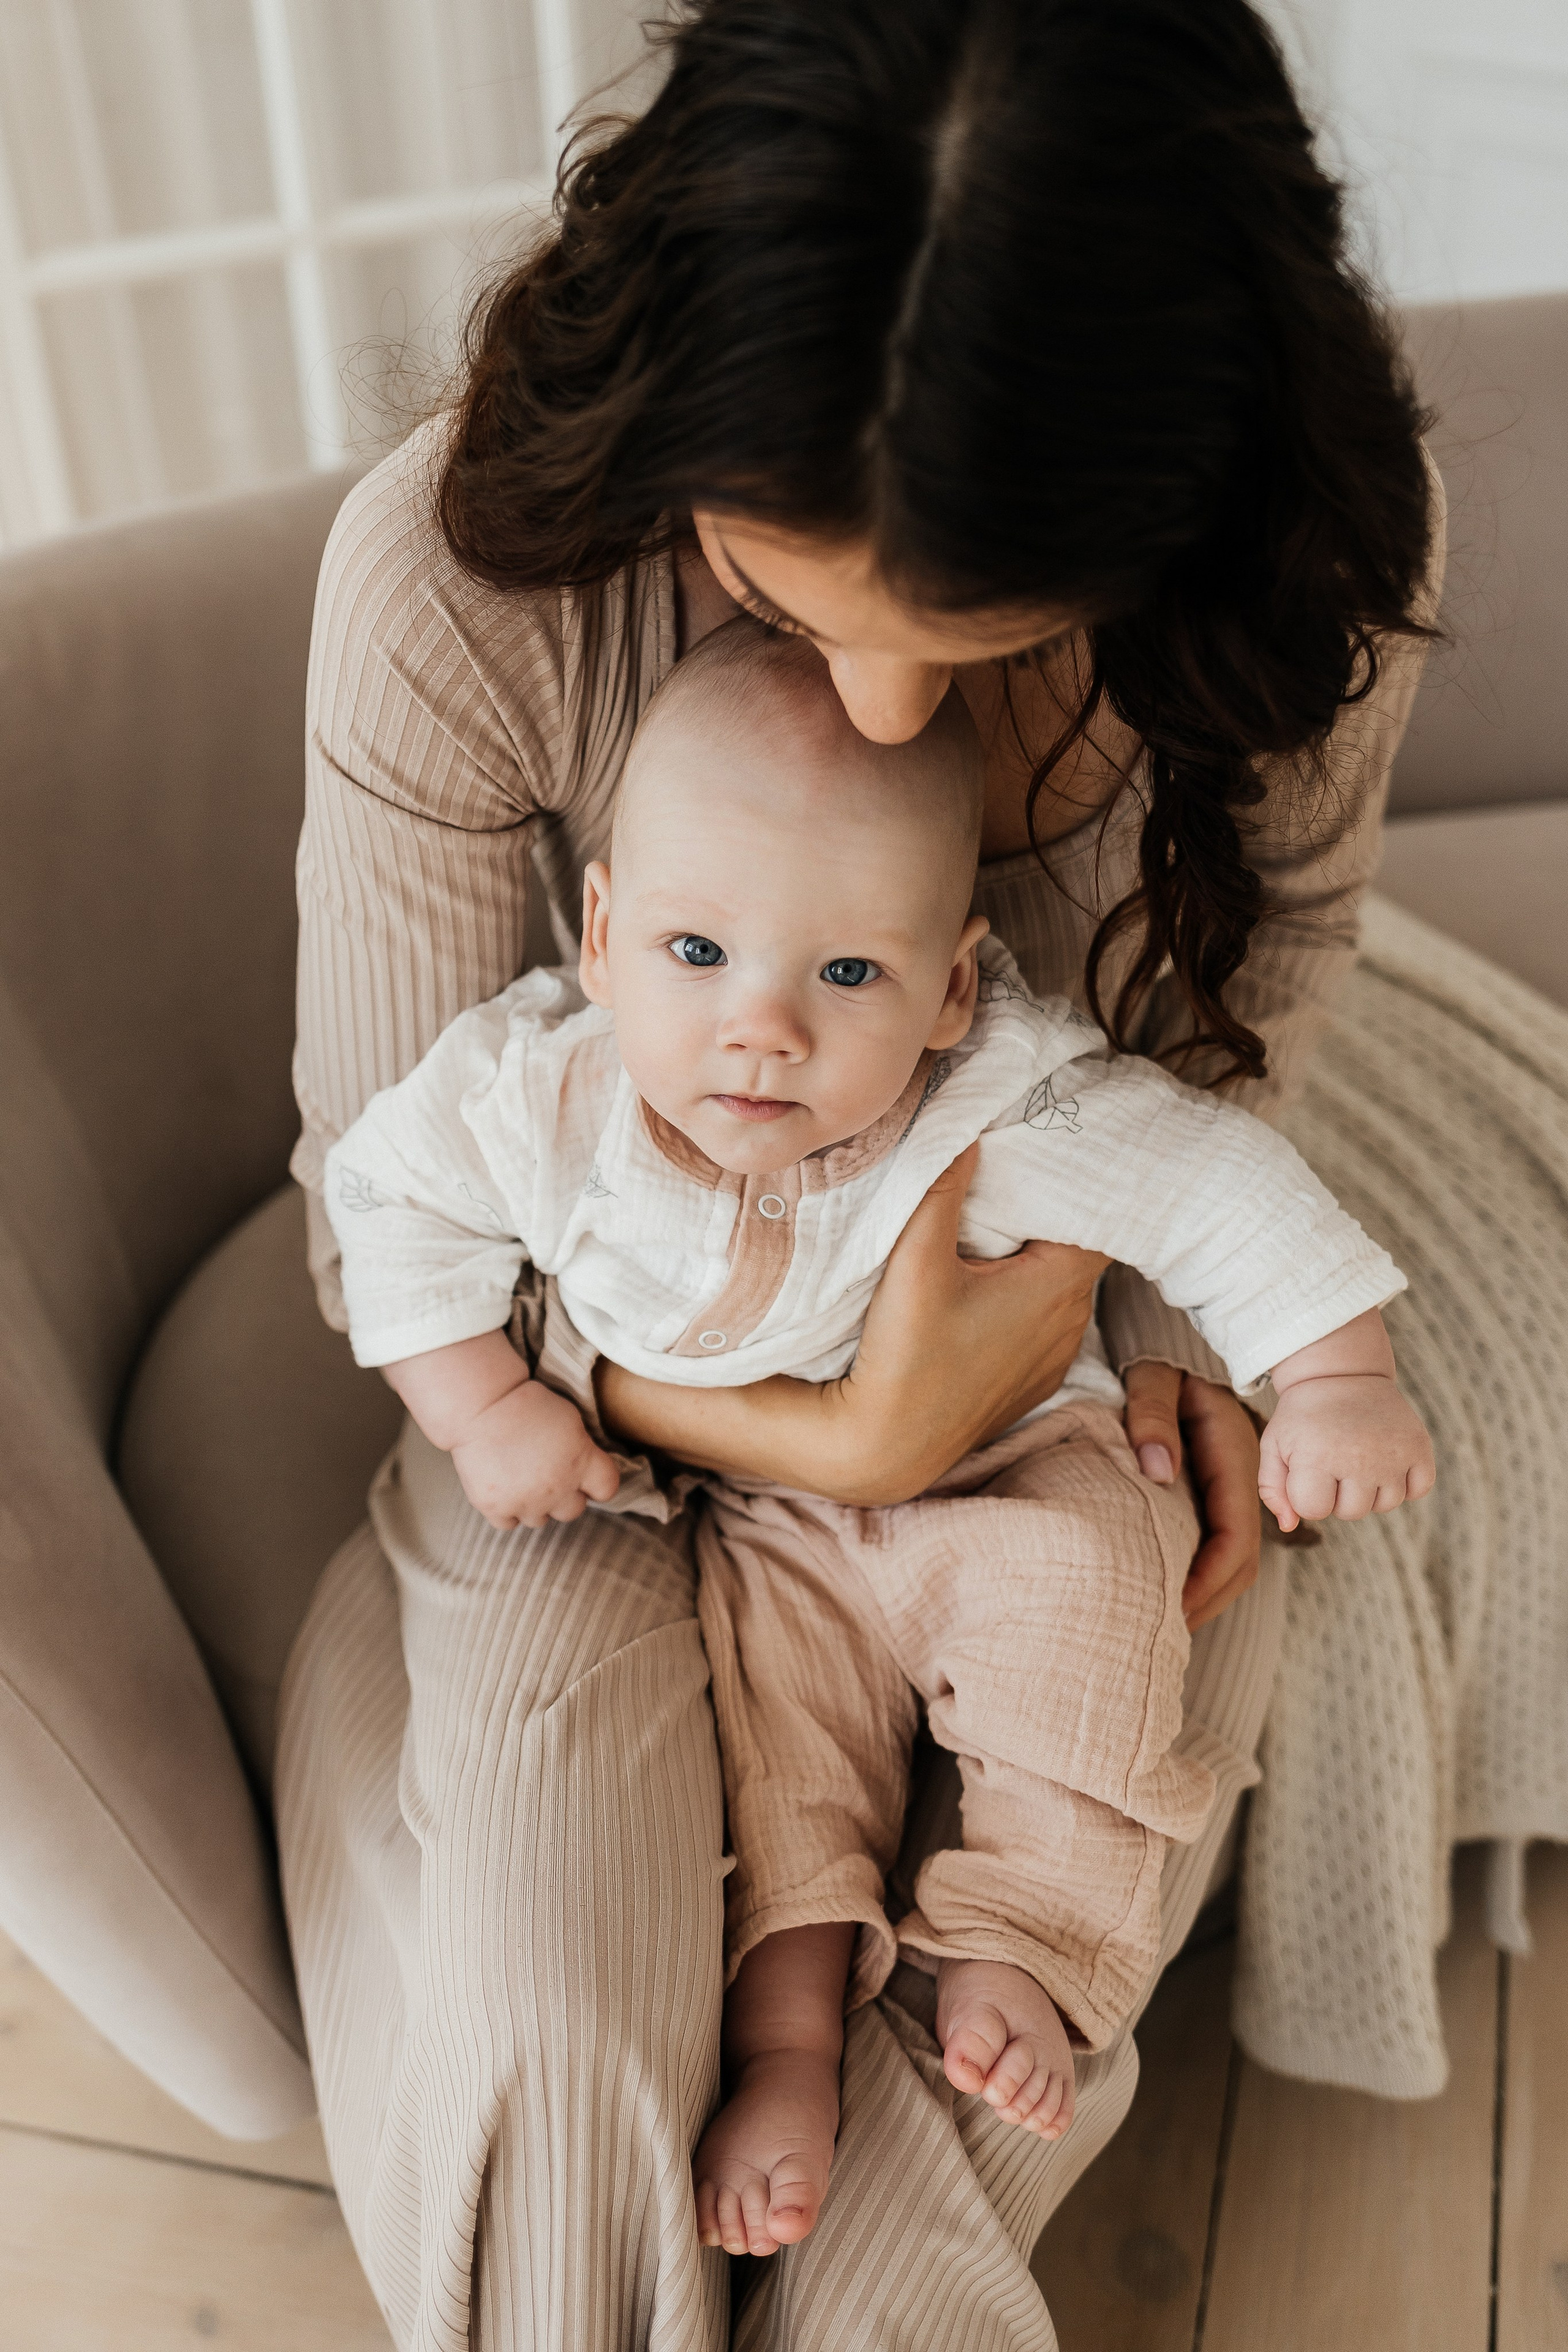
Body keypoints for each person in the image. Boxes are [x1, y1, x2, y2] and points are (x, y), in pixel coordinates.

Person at [277, 2, 1447, 2344]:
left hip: (1053, 1384)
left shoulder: (1284, 577)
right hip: (592, 1412)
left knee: (1017, 1958)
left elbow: (1235, 1089)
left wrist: (1200, 1357)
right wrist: (821, 1435)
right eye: (793, 598)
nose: (894, 713)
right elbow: (388, 1196)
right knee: (548, 2001)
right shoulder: (457, 584)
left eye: (996, 632)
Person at [319, 617, 1434, 2262]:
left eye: (848, 974)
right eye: (698, 955)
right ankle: (789, 2046)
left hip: (1014, 1473)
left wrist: (1336, 1376)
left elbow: (1209, 1185)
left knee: (1099, 1641)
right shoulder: (529, 1099)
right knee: (778, 1755)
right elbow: (385, 1205)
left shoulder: (1007, 1098)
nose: (762, 1029)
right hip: (760, 1521)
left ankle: (1027, 1955)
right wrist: (486, 1408)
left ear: (951, 986)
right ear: (606, 930)